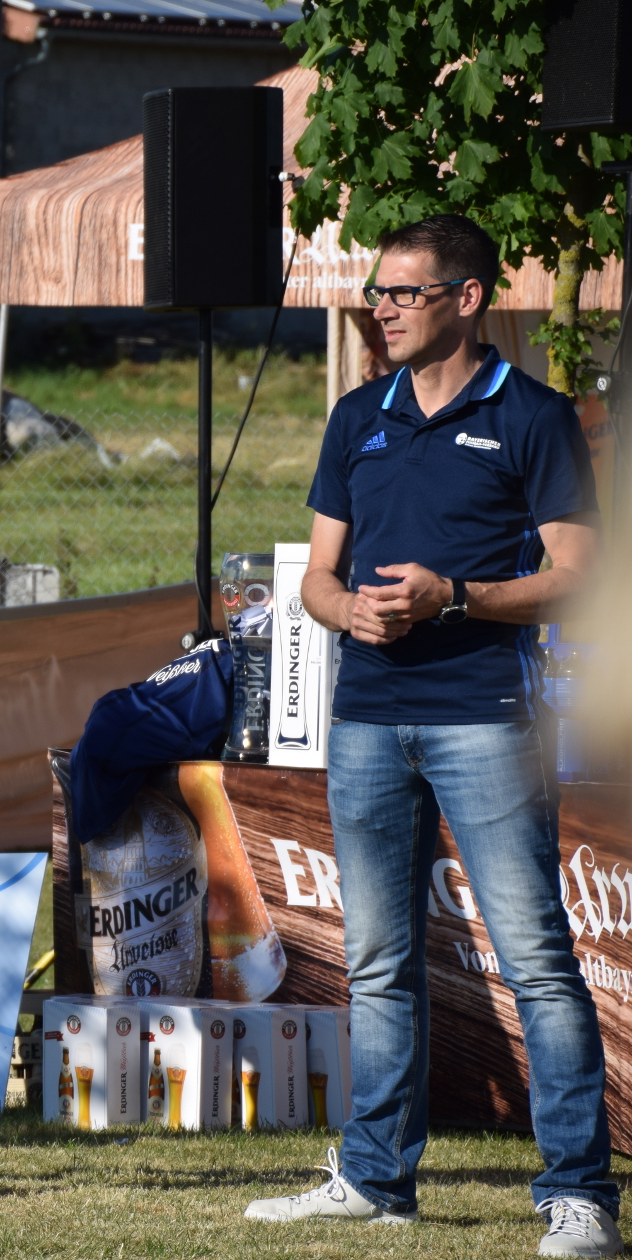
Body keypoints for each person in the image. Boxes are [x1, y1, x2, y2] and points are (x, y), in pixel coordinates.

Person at [245, 215, 619, 1258]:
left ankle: (578, 1195)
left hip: (484, 719)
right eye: (377, 292)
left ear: (465, 298)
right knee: (376, 961)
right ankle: (373, 1179)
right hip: (364, 717)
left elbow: (579, 575)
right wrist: (344, 611)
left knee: (537, 959)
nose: (381, 309)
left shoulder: (534, 417)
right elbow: (319, 575)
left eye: (403, 294)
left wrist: (453, 596)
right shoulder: (356, 415)